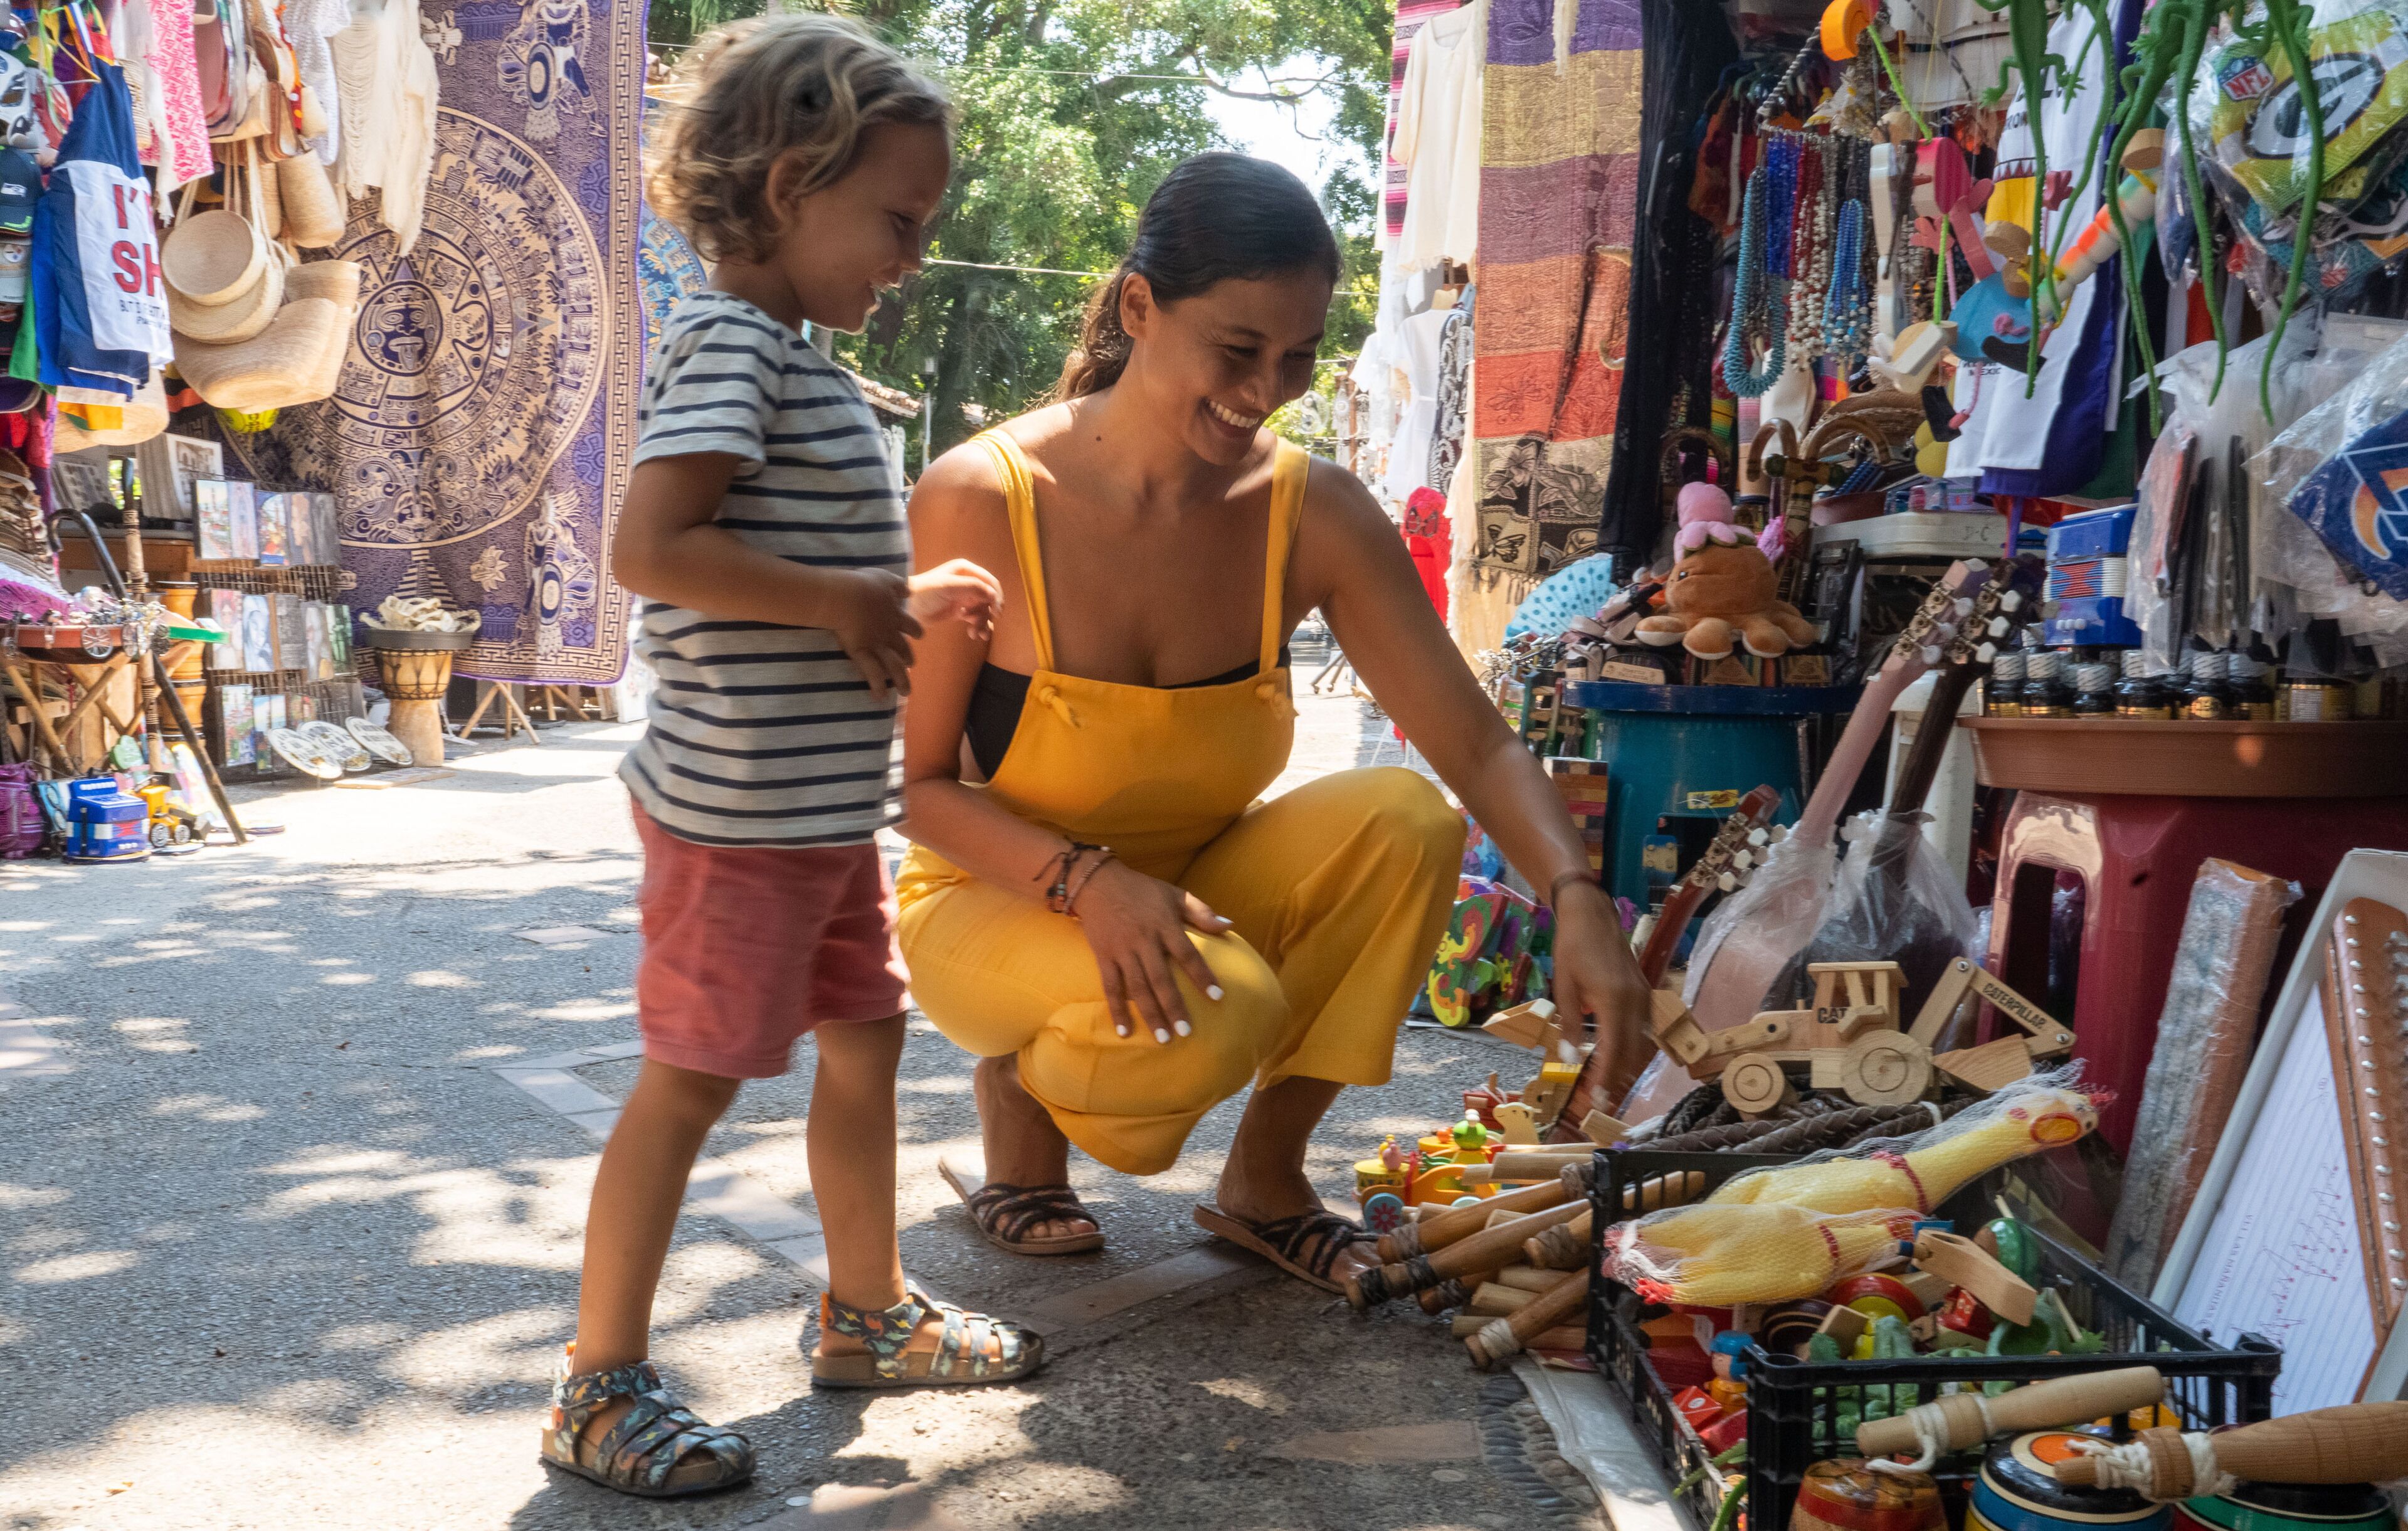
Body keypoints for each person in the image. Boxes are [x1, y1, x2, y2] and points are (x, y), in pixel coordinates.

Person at [897, 153, 1651, 1293]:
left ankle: (1265, 1178)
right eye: (1238, 350)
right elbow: (911, 785)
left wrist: (1578, 899)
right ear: (1141, 308)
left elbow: (1479, 744)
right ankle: (1021, 1087)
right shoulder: (982, 491)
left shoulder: (1316, 510)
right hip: (998, 894)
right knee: (1223, 1011)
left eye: (1298, 357)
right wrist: (1089, 885)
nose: (1267, 388)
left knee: (1408, 817)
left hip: (1193, 889)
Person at [541, 18, 1039, 1501]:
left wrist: (899, 601)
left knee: (869, 1046)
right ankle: (597, 1384)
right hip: (737, 821)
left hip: (819, 821)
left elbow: (796, 556)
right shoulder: (727, 346)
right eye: (895, 220)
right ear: (781, 185)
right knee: (689, 1081)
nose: (911, 255)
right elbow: (652, 548)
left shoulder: (799, 363)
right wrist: (842, 602)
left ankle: (866, 1308)